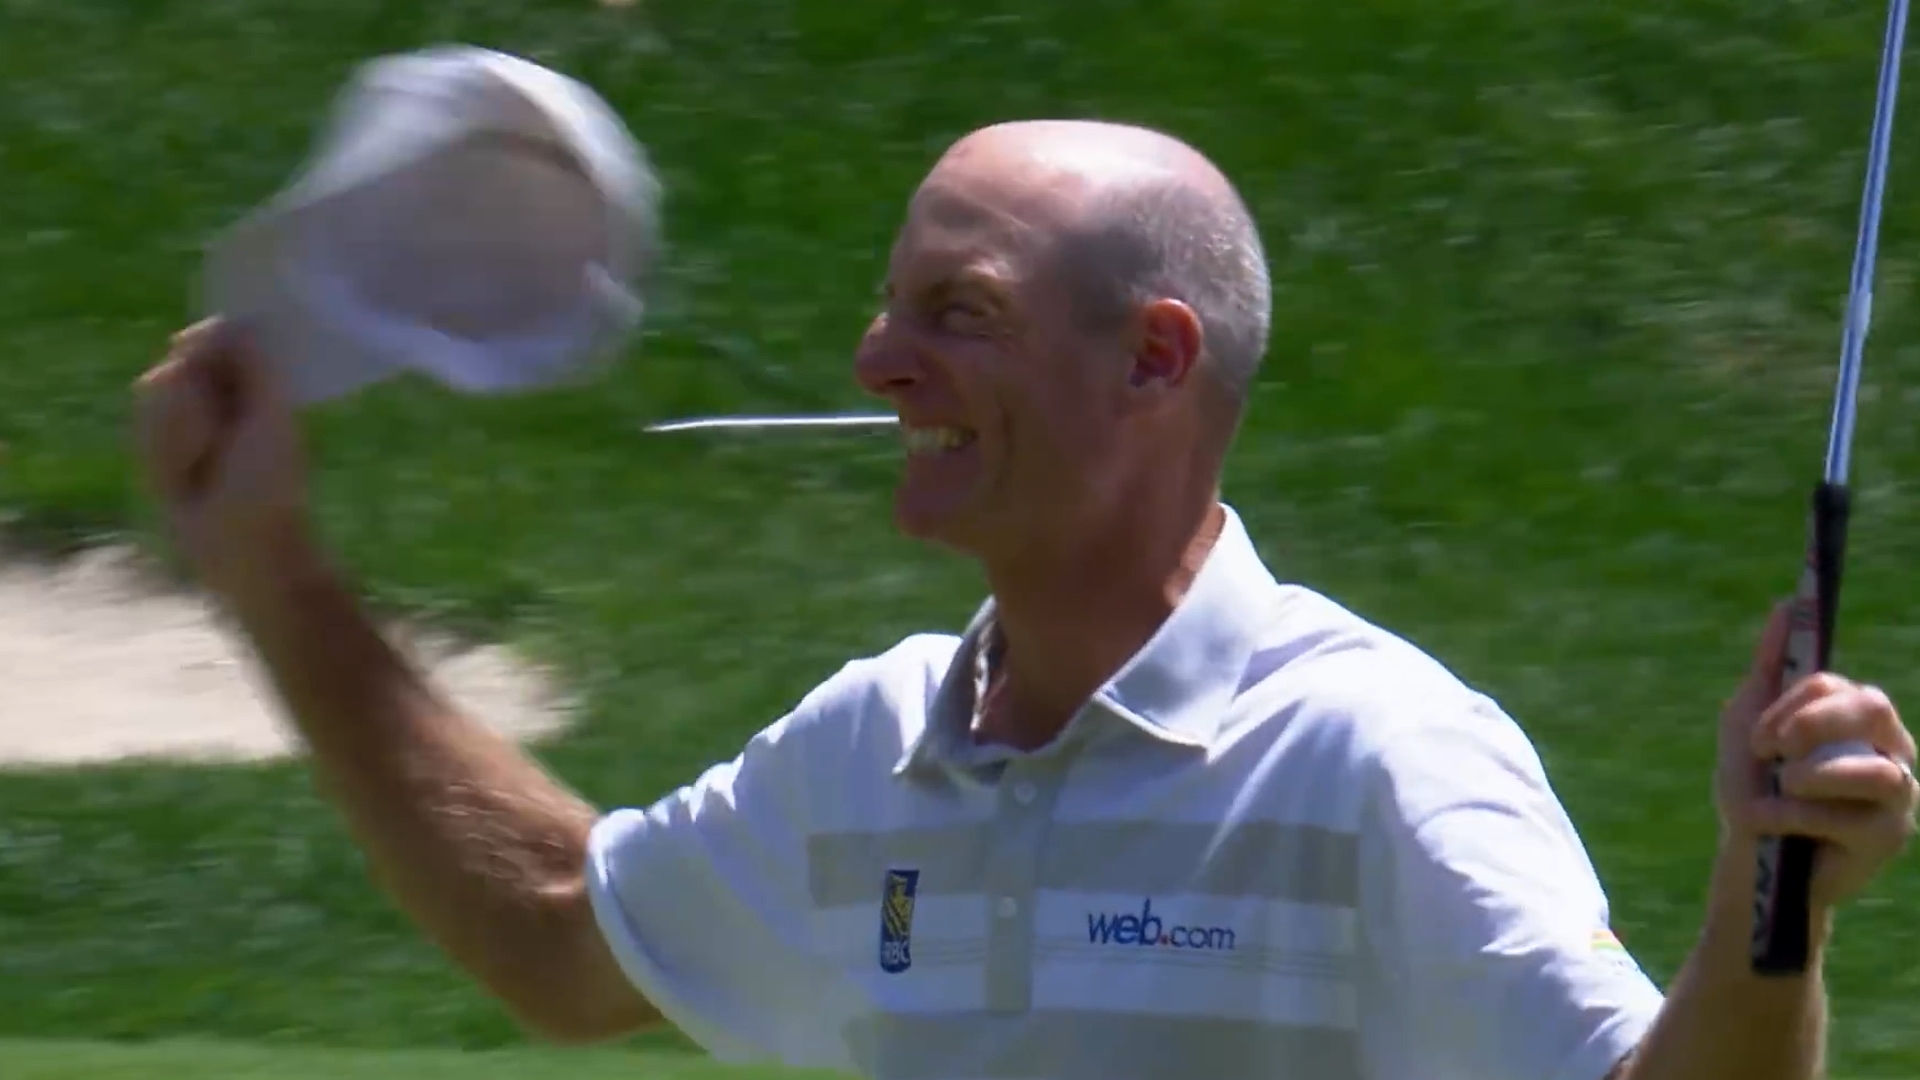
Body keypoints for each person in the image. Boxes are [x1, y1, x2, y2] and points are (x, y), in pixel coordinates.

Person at [133, 120, 1917, 1080]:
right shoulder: (872, 750)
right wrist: (272, 570)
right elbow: (552, 936)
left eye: (957, 312)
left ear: (1154, 361)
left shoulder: (1371, 756)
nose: (876, 358)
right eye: (891, 307)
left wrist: (1771, 912)